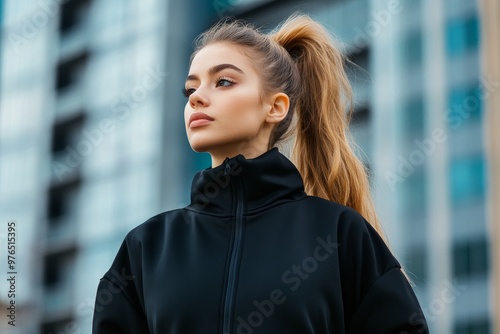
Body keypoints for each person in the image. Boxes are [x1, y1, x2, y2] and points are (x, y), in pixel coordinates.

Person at [92, 14, 429, 334]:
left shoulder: (339, 234)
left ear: (275, 107)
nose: (197, 98)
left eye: (223, 81)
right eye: (190, 89)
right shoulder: (146, 247)